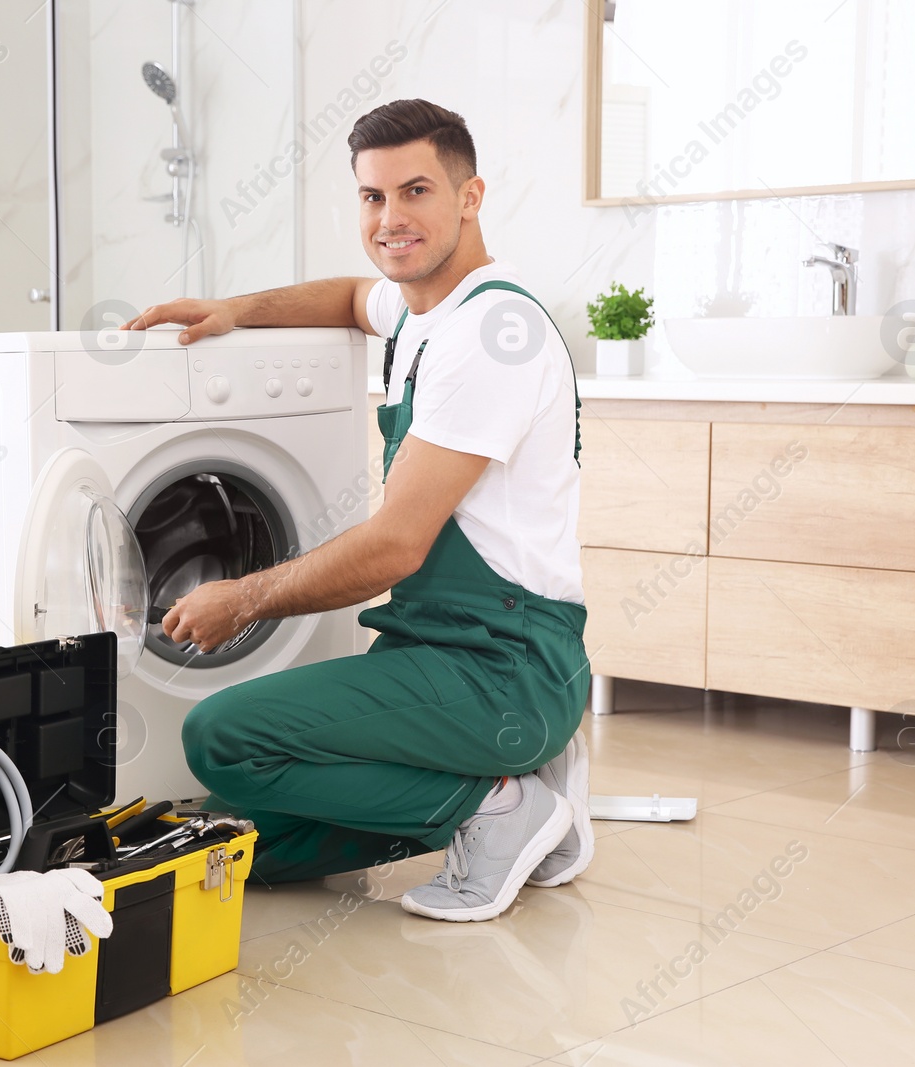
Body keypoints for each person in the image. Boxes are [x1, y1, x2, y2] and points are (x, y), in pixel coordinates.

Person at [121, 98, 591, 923]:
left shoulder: (490, 335)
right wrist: (234, 310)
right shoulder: (424, 309)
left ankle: (497, 801)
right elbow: (349, 298)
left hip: (503, 665)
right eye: (372, 198)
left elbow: (395, 549)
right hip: (441, 650)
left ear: (470, 196)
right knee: (239, 846)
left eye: (415, 191)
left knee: (223, 741)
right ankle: (522, 793)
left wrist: (243, 598)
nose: (391, 219)